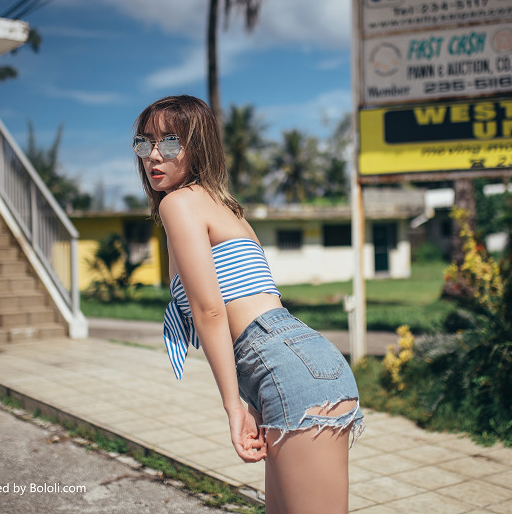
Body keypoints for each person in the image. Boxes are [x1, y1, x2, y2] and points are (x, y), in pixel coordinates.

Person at [132, 95, 363, 513]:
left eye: (169, 142)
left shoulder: (179, 204)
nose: (153, 155)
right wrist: (252, 398)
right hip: (292, 361)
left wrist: (233, 407)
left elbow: (210, 311)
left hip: (286, 365)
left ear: (197, 146)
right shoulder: (224, 207)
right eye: (144, 142)